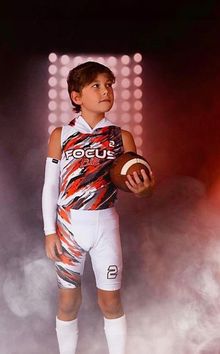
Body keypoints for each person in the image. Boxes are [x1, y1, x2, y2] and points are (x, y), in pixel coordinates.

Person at [42, 61, 154, 354]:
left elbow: (137, 183)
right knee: (68, 301)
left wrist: (145, 190)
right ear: (76, 97)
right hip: (68, 228)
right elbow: (50, 187)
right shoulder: (61, 135)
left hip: (105, 226)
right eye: (97, 85)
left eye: (109, 85)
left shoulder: (121, 137)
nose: (106, 91)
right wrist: (48, 232)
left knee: (111, 301)